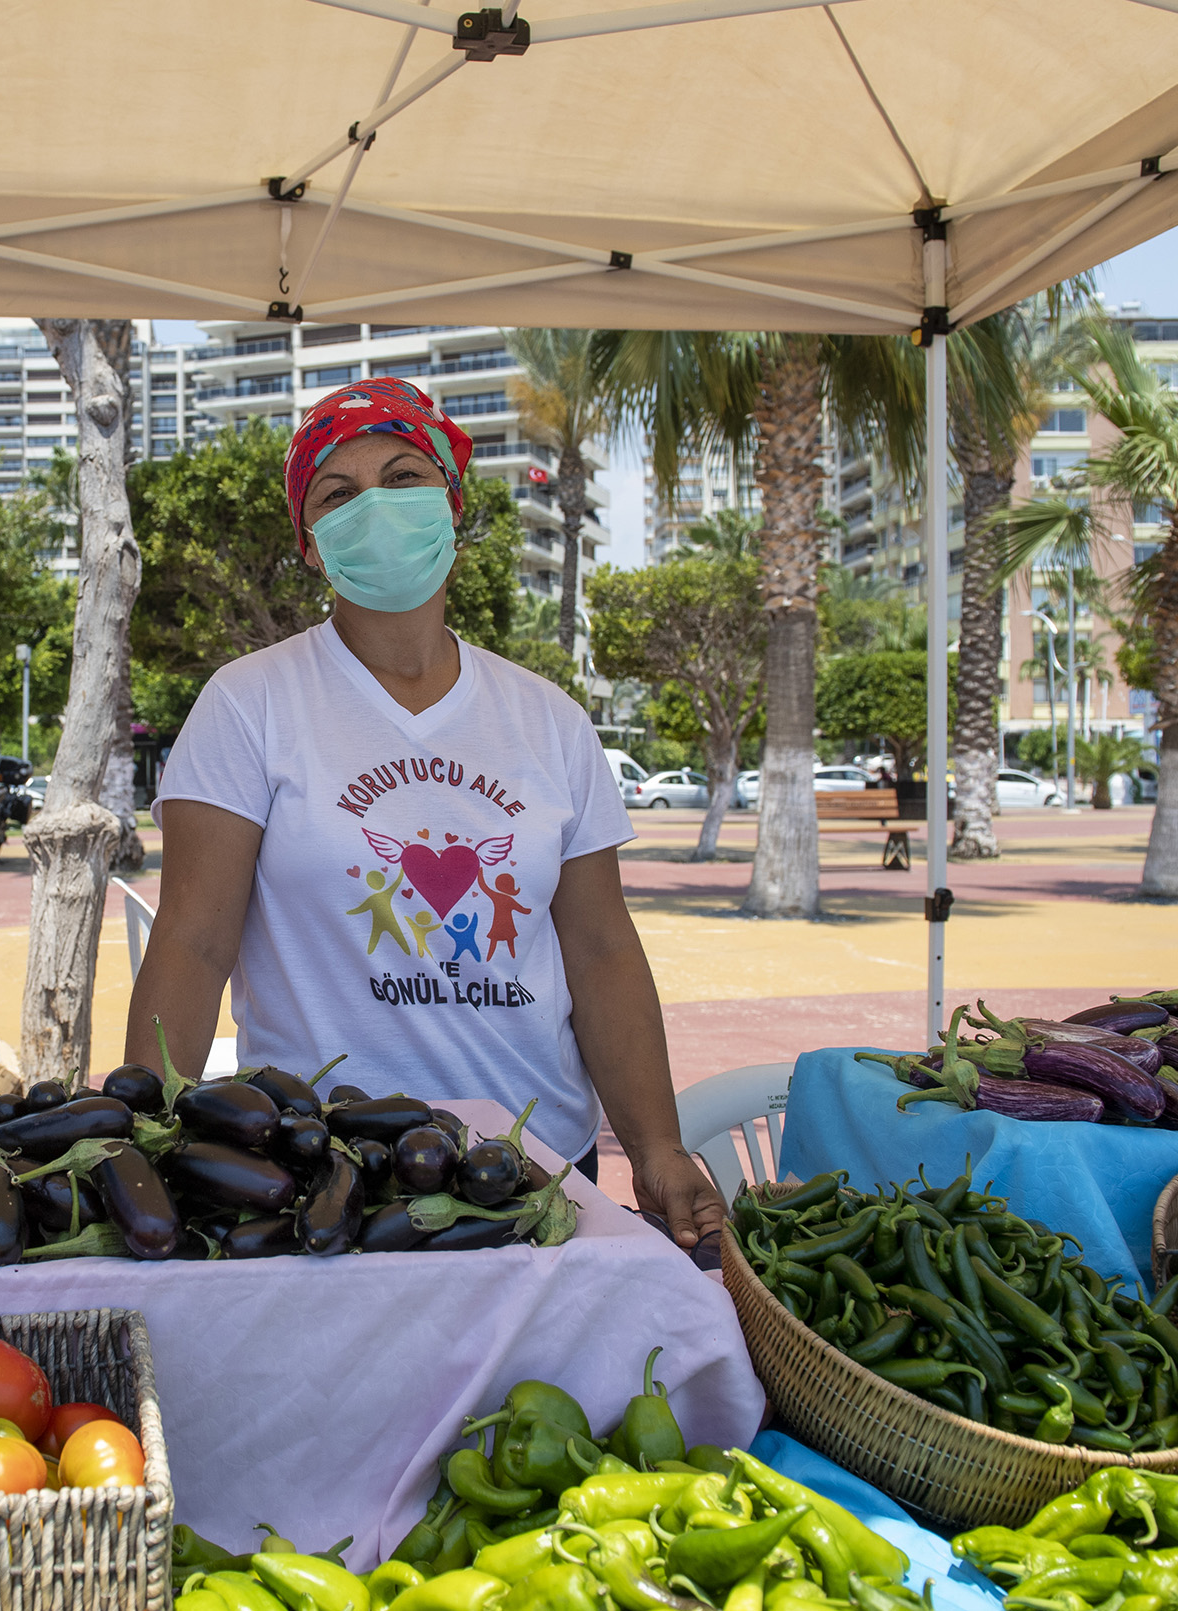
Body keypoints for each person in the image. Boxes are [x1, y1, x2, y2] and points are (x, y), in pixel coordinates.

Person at [126, 377, 727, 1249]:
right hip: (323, 1176)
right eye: (338, 492)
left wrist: (658, 1145)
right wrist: (140, 1143)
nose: (376, 504)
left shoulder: (549, 719)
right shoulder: (249, 704)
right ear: (309, 544)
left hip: (535, 1170)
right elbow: (192, 940)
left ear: (450, 505)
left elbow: (601, 952)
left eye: (405, 476)